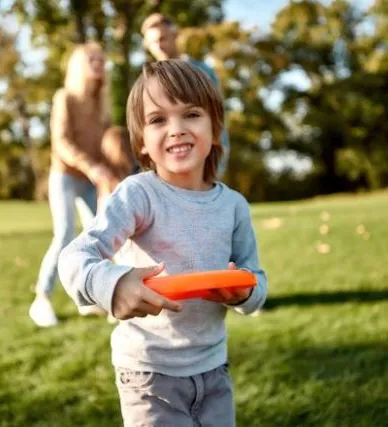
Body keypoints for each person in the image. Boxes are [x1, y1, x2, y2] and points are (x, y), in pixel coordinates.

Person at [58, 59, 267, 426]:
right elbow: (74, 257)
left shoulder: (233, 206)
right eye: (158, 120)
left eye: (191, 114)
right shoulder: (139, 195)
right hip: (148, 377)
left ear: (216, 127)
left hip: (214, 371)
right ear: (141, 141)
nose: (176, 130)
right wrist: (115, 283)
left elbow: (257, 280)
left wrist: (245, 292)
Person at [29, 42, 119, 328]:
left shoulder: (101, 103)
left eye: (101, 59)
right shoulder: (64, 98)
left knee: (101, 237)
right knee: (65, 233)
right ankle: (41, 299)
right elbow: (62, 142)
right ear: (79, 65)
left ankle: (91, 298)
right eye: (91, 59)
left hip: (93, 179)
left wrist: (114, 168)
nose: (98, 63)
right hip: (65, 176)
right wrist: (90, 166)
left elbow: (107, 143)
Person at [140, 12, 230, 178]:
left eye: (162, 39)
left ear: (175, 36)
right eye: (152, 42)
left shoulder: (203, 71)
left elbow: (217, 114)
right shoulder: (147, 81)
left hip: (207, 153)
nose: (158, 46)